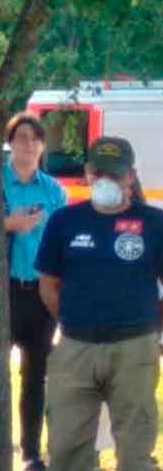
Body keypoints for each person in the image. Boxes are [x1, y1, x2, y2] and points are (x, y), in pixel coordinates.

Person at [36, 136, 162, 471]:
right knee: (65, 448)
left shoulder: (155, 223)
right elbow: (48, 285)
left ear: (131, 176)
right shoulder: (64, 220)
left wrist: (155, 335)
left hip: (134, 349)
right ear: (88, 173)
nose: (106, 181)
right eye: (100, 173)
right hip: (75, 348)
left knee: (136, 450)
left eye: (116, 175)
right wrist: (71, 319)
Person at [2, 112, 67, 471]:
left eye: (34, 139)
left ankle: (30, 453)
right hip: (2, 292)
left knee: (35, 374)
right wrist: (8, 224)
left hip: (41, 293)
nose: (27, 145)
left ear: (42, 146)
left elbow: (62, 245)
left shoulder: (53, 191)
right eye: (21, 138)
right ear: (10, 143)